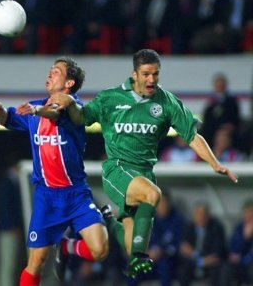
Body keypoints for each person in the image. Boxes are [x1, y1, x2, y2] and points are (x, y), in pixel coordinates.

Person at [47, 49, 238, 279]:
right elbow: (81, 117)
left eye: (156, 74)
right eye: (146, 74)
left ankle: (96, 227)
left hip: (143, 174)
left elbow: (192, 136)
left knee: (130, 246)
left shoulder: (166, 102)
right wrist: (70, 103)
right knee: (153, 196)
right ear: (134, 74)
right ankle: (139, 253)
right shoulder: (111, 98)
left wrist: (215, 163)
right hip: (117, 170)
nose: (151, 79)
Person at [0, 56, 109, 286]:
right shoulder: (35, 108)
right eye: (50, 70)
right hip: (47, 197)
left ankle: (67, 245)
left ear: (70, 83)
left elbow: (55, 111)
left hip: (76, 194)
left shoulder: (73, 106)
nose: (50, 74)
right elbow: (8, 118)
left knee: (100, 250)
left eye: (56, 71)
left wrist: (36, 109)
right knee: (36, 261)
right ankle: (60, 244)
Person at [177, 201, 227, 286]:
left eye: (203, 214)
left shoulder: (216, 228)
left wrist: (195, 255)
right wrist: (200, 260)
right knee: (183, 269)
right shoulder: (188, 227)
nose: (201, 217)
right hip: (193, 263)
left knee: (219, 269)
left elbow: (217, 251)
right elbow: (184, 250)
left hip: (210, 265)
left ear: (208, 215)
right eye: (197, 214)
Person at [0, 154, 26, 286]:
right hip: (8, 231)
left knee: (14, 265)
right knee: (7, 265)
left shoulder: (15, 182)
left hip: (15, 230)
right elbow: (4, 207)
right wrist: (12, 226)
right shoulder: (7, 182)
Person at [200, 72, 240, 148]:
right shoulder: (211, 103)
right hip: (211, 132)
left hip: (226, 132)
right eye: (217, 84)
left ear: (225, 85)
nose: (219, 86)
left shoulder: (232, 102)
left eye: (221, 84)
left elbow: (235, 119)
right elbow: (206, 119)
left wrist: (228, 127)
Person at [222, 198, 253, 285]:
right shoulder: (239, 228)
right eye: (246, 212)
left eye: (251, 212)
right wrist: (245, 237)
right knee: (227, 268)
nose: (249, 216)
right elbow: (233, 249)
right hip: (240, 263)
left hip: (249, 262)